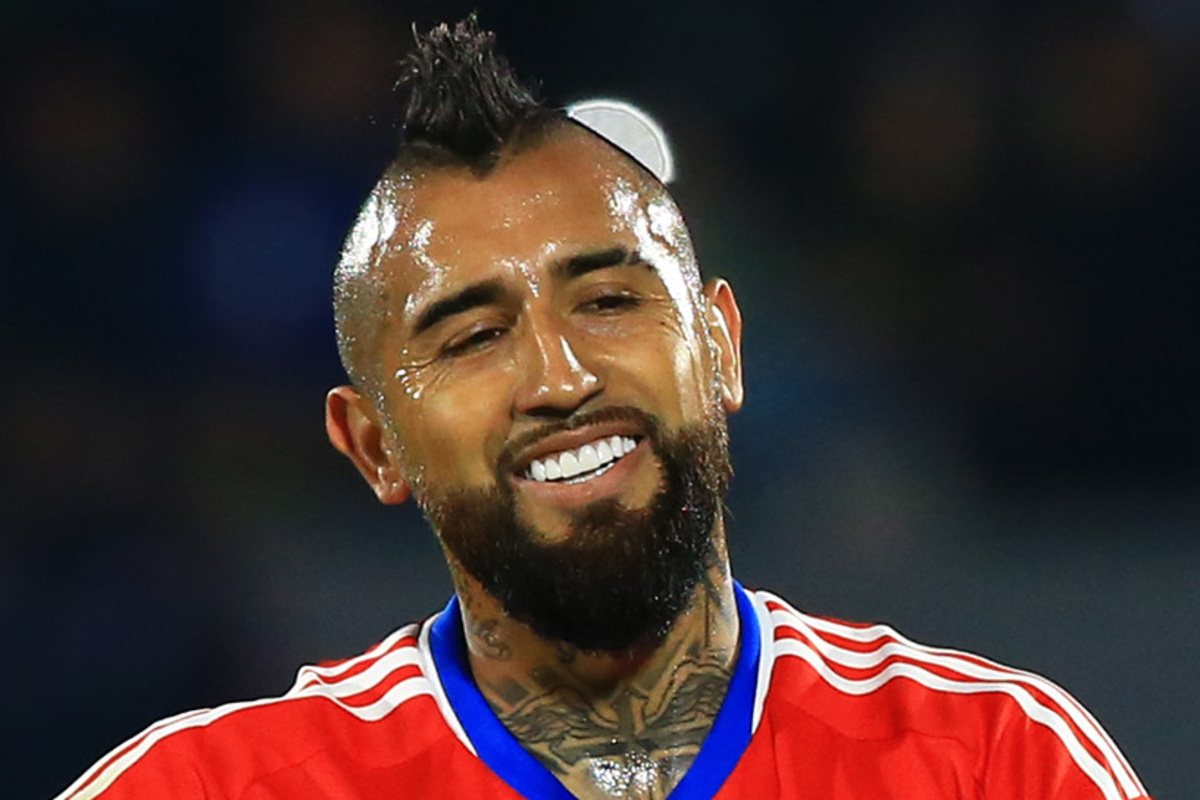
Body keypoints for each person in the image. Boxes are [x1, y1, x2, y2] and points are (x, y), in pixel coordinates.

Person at [57, 18, 1151, 800]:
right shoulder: (208, 787)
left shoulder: (996, 762)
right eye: (474, 334)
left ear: (720, 344)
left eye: (611, 297)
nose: (562, 374)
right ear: (372, 442)